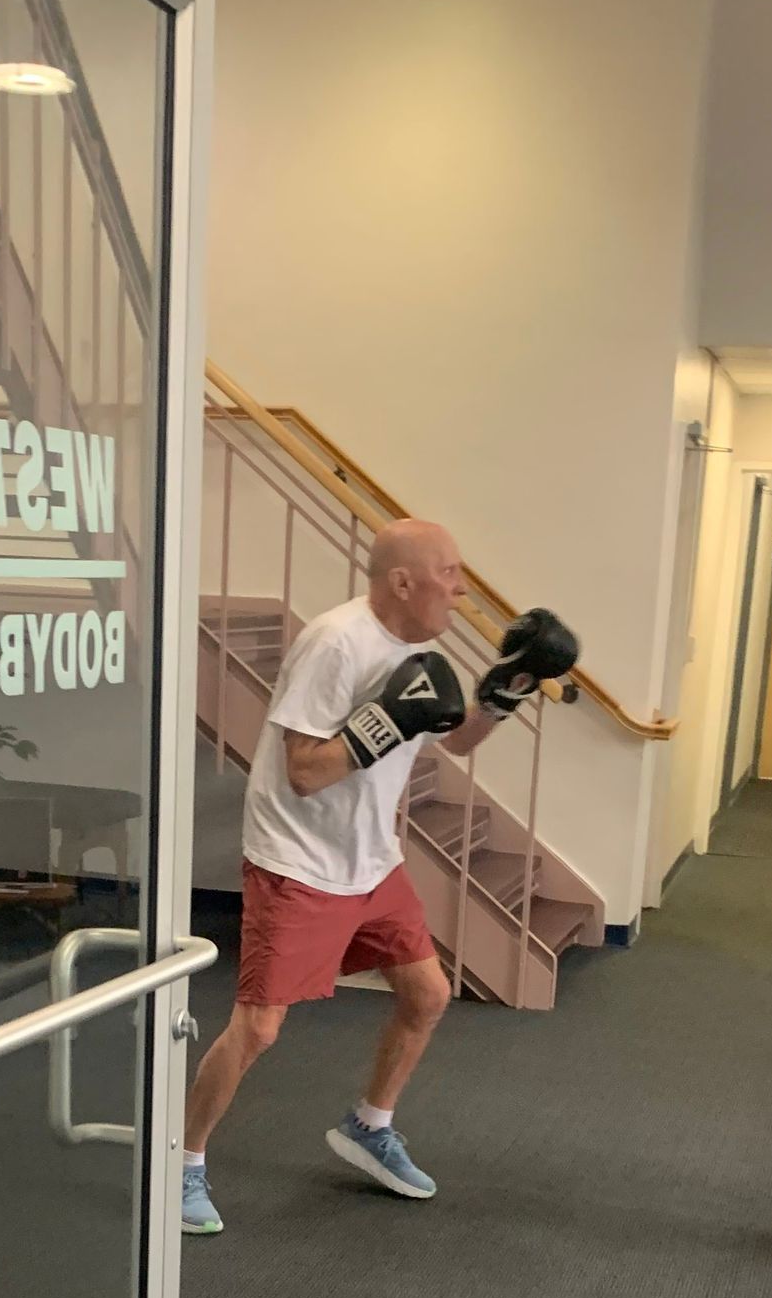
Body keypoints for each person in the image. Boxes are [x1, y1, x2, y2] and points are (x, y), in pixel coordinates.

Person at [181, 519, 575, 1236]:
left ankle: (369, 1126)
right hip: (298, 860)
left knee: (427, 995)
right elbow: (304, 772)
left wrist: (507, 690)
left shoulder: (419, 653)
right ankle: (181, 1160)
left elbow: (456, 739)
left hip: (371, 860)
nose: (461, 589)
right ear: (402, 581)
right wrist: (383, 722)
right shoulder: (335, 643)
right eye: (448, 573)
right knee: (259, 1028)